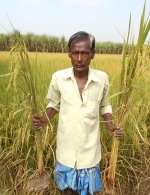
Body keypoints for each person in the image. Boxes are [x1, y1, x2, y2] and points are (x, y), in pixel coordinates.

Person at [32, 31, 123, 195]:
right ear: (69, 53)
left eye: (84, 53)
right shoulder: (59, 78)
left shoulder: (102, 79)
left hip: (90, 152)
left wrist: (110, 124)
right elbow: (54, 103)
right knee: (68, 192)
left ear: (92, 54)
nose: (79, 58)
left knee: (87, 193)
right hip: (66, 151)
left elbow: (104, 105)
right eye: (75, 53)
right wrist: (44, 120)